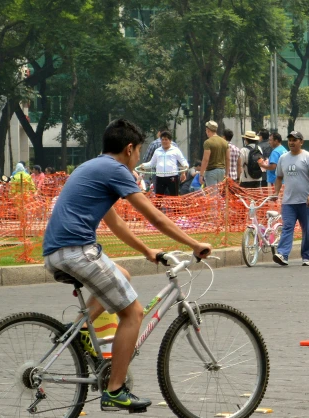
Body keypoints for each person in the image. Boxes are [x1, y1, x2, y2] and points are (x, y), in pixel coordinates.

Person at [42, 119, 211, 412]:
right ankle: (115, 391)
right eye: (139, 152)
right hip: (77, 251)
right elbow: (155, 217)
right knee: (133, 313)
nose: (138, 159)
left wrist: (147, 251)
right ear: (130, 148)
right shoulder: (116, 170)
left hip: (57, 252)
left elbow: (115, 222)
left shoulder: (92, 167)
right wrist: (195, 245)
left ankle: (78, 330)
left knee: (123, 274)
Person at [271, 131, 309, 266]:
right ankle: (282, 254)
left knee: (307, 229)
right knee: (287, 227)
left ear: (301, 142)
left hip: (305, 201)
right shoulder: (283, 158)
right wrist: (276, 192)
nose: (292, 142)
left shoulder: (308, 157)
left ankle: (306, 256)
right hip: (288, 202)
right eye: (290, 140)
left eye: (295, 140)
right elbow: (279, 177)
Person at [140, 131, 188, 196]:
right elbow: (151, 163)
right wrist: (144, 165)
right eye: (162, 140)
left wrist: (185, 166)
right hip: (160, 177)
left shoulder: (175, 150)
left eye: (166, 139)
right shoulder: (157, 151)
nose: (164, 141)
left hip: (172, 177)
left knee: (173, 198)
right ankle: (158, 206)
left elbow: (182, 160)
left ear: (170, 140)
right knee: (159, 197)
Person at [199, 121, 228, 187]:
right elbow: (227, 158)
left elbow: (205, 159)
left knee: (213, 195)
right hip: (222, 171)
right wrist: (227, 173)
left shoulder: (208, 142)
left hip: (211, 171)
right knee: (219, 193)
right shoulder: (224, 142)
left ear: (208, 130)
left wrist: (201, 174)